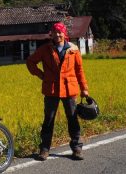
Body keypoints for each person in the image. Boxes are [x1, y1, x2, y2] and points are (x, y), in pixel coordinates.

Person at [26, 22, 89, 161]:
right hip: (51, 89)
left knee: (72, 119)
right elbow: (30, 62)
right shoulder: (45, 49)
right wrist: (41, 75)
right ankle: (44, 149)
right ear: (51, 34)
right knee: (48, 120)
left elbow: (79, 71)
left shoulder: (73, 49)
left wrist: (84, 88)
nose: (58, 34)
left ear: (64, 33)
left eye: (60, 32)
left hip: (69, 89)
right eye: (55, 32)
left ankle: (77, 149)